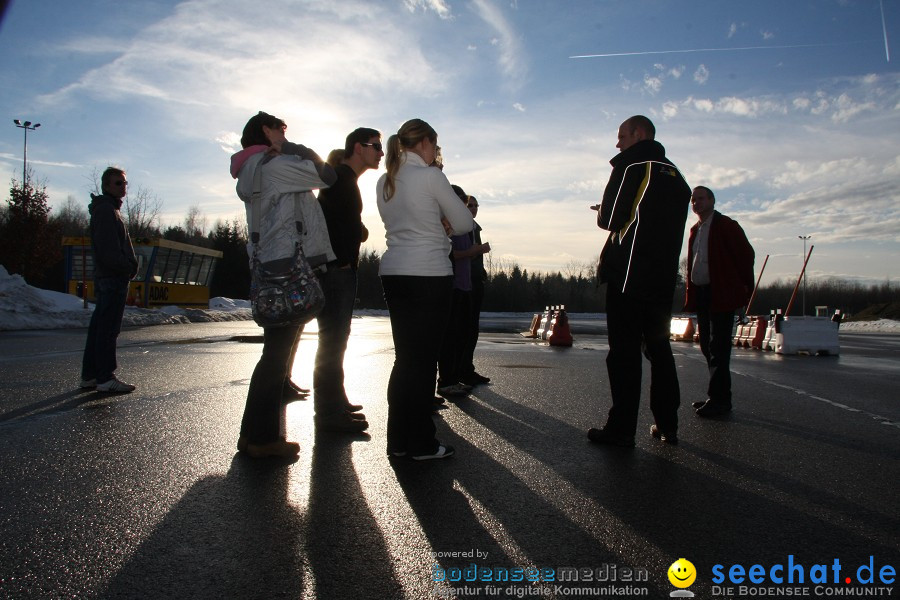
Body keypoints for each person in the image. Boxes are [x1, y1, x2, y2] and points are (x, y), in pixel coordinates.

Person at [230, 111, 336, 459]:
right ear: (266, 131)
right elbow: (327, 175)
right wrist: (293, 147)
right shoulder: (274, 166)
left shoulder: (253, 169)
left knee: (273, 353)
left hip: (268, 260)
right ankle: (262, 440)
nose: (285, 133)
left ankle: (252, 435)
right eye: (280, 128)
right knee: (277, 356)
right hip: (287, 262)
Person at [588, 115, 691, 447]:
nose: (618, 144)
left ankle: (621, 429)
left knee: (624, 354)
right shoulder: (677, 176)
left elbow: (610, 219)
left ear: (640, 134)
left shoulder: (632, 166)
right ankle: (667, 424)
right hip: (662, 280)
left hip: (628, 278)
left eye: (622, 136)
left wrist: (602, 208)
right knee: (660, 351)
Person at [377, 118, 473, 460]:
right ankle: (421, 443)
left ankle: (398, 441)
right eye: (436, 145)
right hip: (429, 274)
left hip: (394, 272)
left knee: (406, 361)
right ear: (425, 143)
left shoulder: (384, 180)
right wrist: (443, 225)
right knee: (422, 363)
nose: (437, 152)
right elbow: (464, 223)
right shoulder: (431, 175)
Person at [313, 128, 383, 433]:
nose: (381, 152)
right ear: (358, 147)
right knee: (332, 344)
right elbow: (337, 227)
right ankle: (329, 415)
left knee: (335, 343)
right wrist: (352, 241)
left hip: (338, 270)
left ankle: (335, 405)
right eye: (376, 146)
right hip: (336, 271)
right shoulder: (341, 179)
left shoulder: (345, 180)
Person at [683, 186, 755, 418]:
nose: (696, 203)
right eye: (693, 200)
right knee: (706, 345)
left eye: (701, 199)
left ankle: (721, 400)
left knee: (719, 348)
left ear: (712, 200)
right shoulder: (696, 230)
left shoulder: (726, 226)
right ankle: (717, 396)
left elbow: (746, 255)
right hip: (703, 293)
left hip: (721, 293)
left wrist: (742, 288)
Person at [80, 167, 139, 393]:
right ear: (106, 186)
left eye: (124, 183)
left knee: (99, 327)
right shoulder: (106, 210)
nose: (122, 187)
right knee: (108, 329)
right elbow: (108, 250)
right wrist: (126, 267)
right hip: (112, 278)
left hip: (110, 276)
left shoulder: (108, 209)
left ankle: (90, 375)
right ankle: (105, 377)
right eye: (118, 183)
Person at [459, 194, 491, 386]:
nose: (473, 208)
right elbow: (460, 254)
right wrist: (478, 251)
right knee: (464, 330)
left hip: (475, 282)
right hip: (465, 283)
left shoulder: (473, 227)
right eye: (469, 205)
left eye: (475, 205)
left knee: (472, 329)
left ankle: (467, 369)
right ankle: (459, 371)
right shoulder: (461, 227)